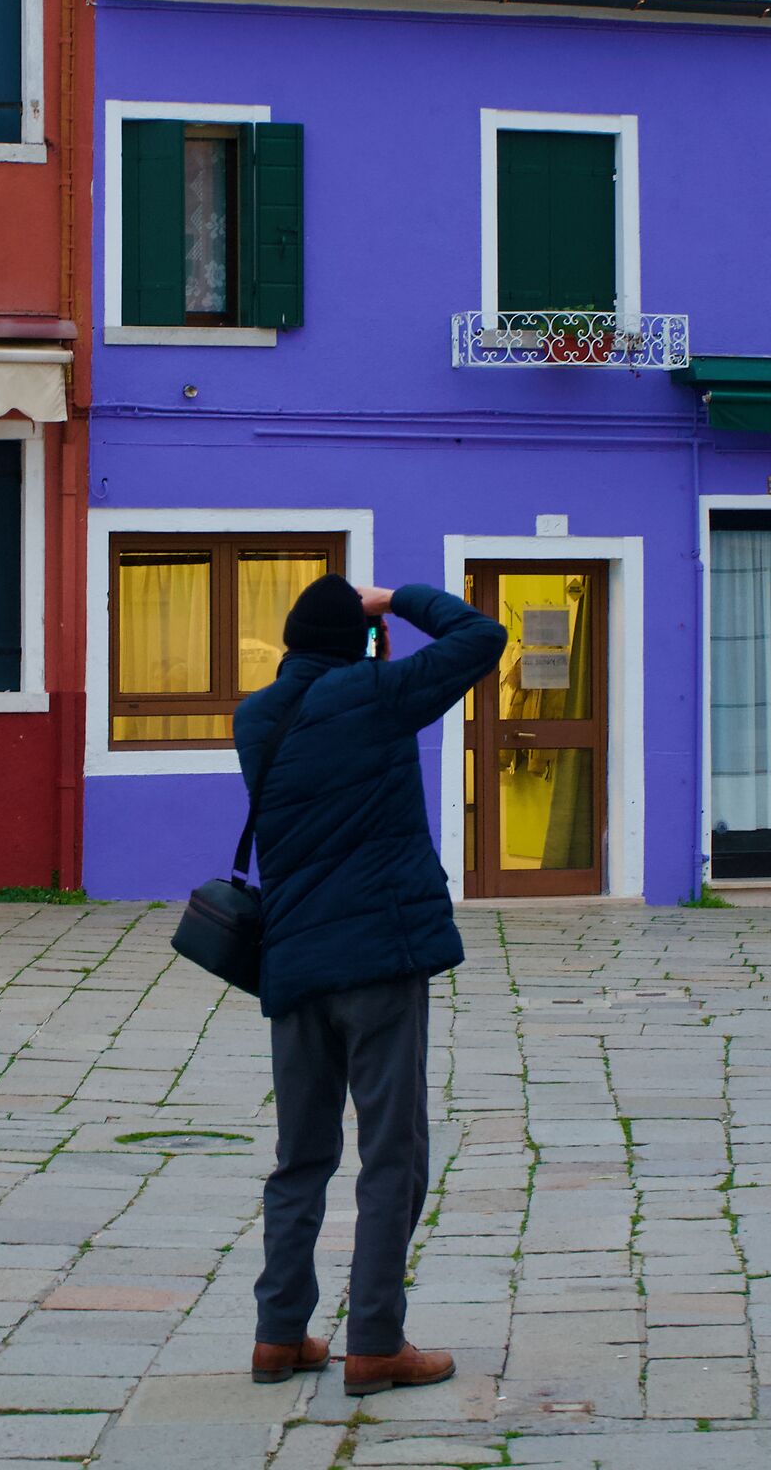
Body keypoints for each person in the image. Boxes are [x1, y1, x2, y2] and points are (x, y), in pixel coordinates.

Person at [238, 572, 506, 1397]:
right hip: (378, 960)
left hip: (293, 963)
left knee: (301, 1156)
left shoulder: (256, 716)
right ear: (357, 640)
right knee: (392, 1154)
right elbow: (482, 637)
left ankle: (279, 1335)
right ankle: (377, 1344)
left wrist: (361, 642)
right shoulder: (377, 694)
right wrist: (396, 599)